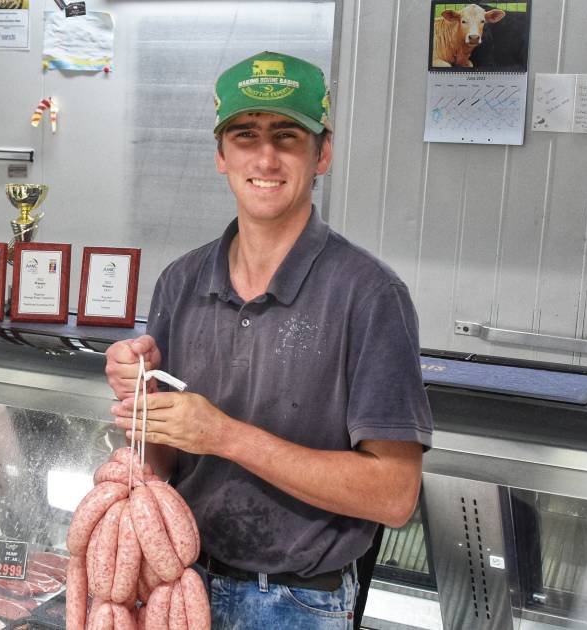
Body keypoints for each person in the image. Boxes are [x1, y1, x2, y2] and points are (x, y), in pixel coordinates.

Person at [105, 51, 432, 629]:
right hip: (179, 590)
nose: (265, 156)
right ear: (220, 155)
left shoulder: (370, 295)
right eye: (245, 134)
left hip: (297, 604)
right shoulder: (181, 281)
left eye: (287, 136)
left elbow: (394, 495)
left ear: (321, 153)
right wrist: (140, 406)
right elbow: (162, 459)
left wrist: (224, 436)